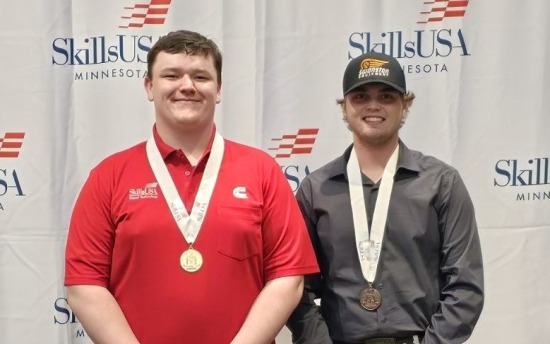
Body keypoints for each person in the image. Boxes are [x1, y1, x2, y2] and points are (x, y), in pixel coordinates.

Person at [64, 30, 319, 344]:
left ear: (219, 89)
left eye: (201, 76)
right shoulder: (109, 176)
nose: (187, 86)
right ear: (149, 86)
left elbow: (288, 277)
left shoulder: (262, 171)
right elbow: (84, 284)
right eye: (171, 75)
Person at [286, 51, 484, 344]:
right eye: (361, 97)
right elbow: (295, 286)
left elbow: (465, 285)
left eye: (387, 97)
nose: (374, 106)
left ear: (405, 106)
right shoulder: (315, 190)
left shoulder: (441, 183)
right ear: (345, 107)